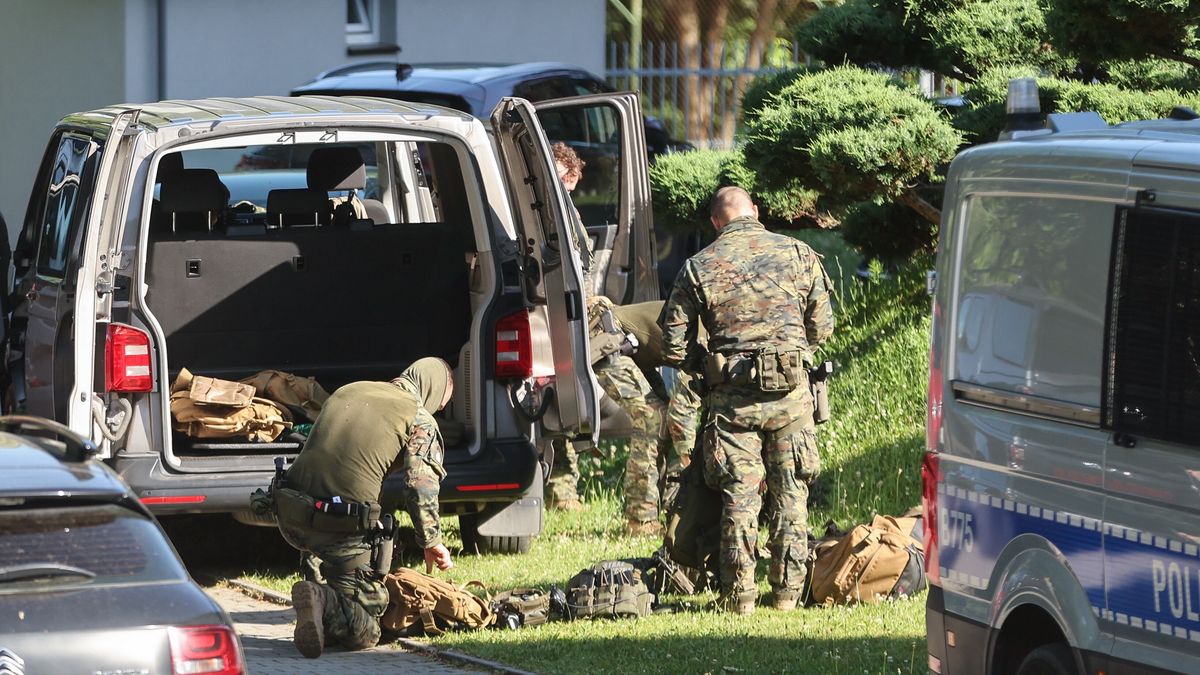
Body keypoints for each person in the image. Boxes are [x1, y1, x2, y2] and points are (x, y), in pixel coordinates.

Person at [659, 186, 834, 614]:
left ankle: (740, 597)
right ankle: (788, 596)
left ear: (716, 223)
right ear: (755, 211)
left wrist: (710, 365)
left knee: (740, 497)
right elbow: (822, 327)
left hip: (732, 408)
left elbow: (673, 345)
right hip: (791, 401)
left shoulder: (698, 266)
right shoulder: (799, 253)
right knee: (792, 495)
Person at [274, 358, 455, 657]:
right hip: (338, 527)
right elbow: (419, 485)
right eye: (441, 404)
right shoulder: (419, 417)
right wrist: (431, 540)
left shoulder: (352, 390)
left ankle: (321, 603)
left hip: (290, 514)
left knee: (339, 582)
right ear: (433, 391)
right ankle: (323, 599)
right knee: (367, 630)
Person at [546, 141, 592, 511]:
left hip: (572, 314)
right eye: (564, 184)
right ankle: (561, 489)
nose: (567, 195)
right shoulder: (537, 205)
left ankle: (563, 491)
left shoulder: (562, 208)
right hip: (551, 315)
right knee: (556, 397)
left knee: (564, 397)